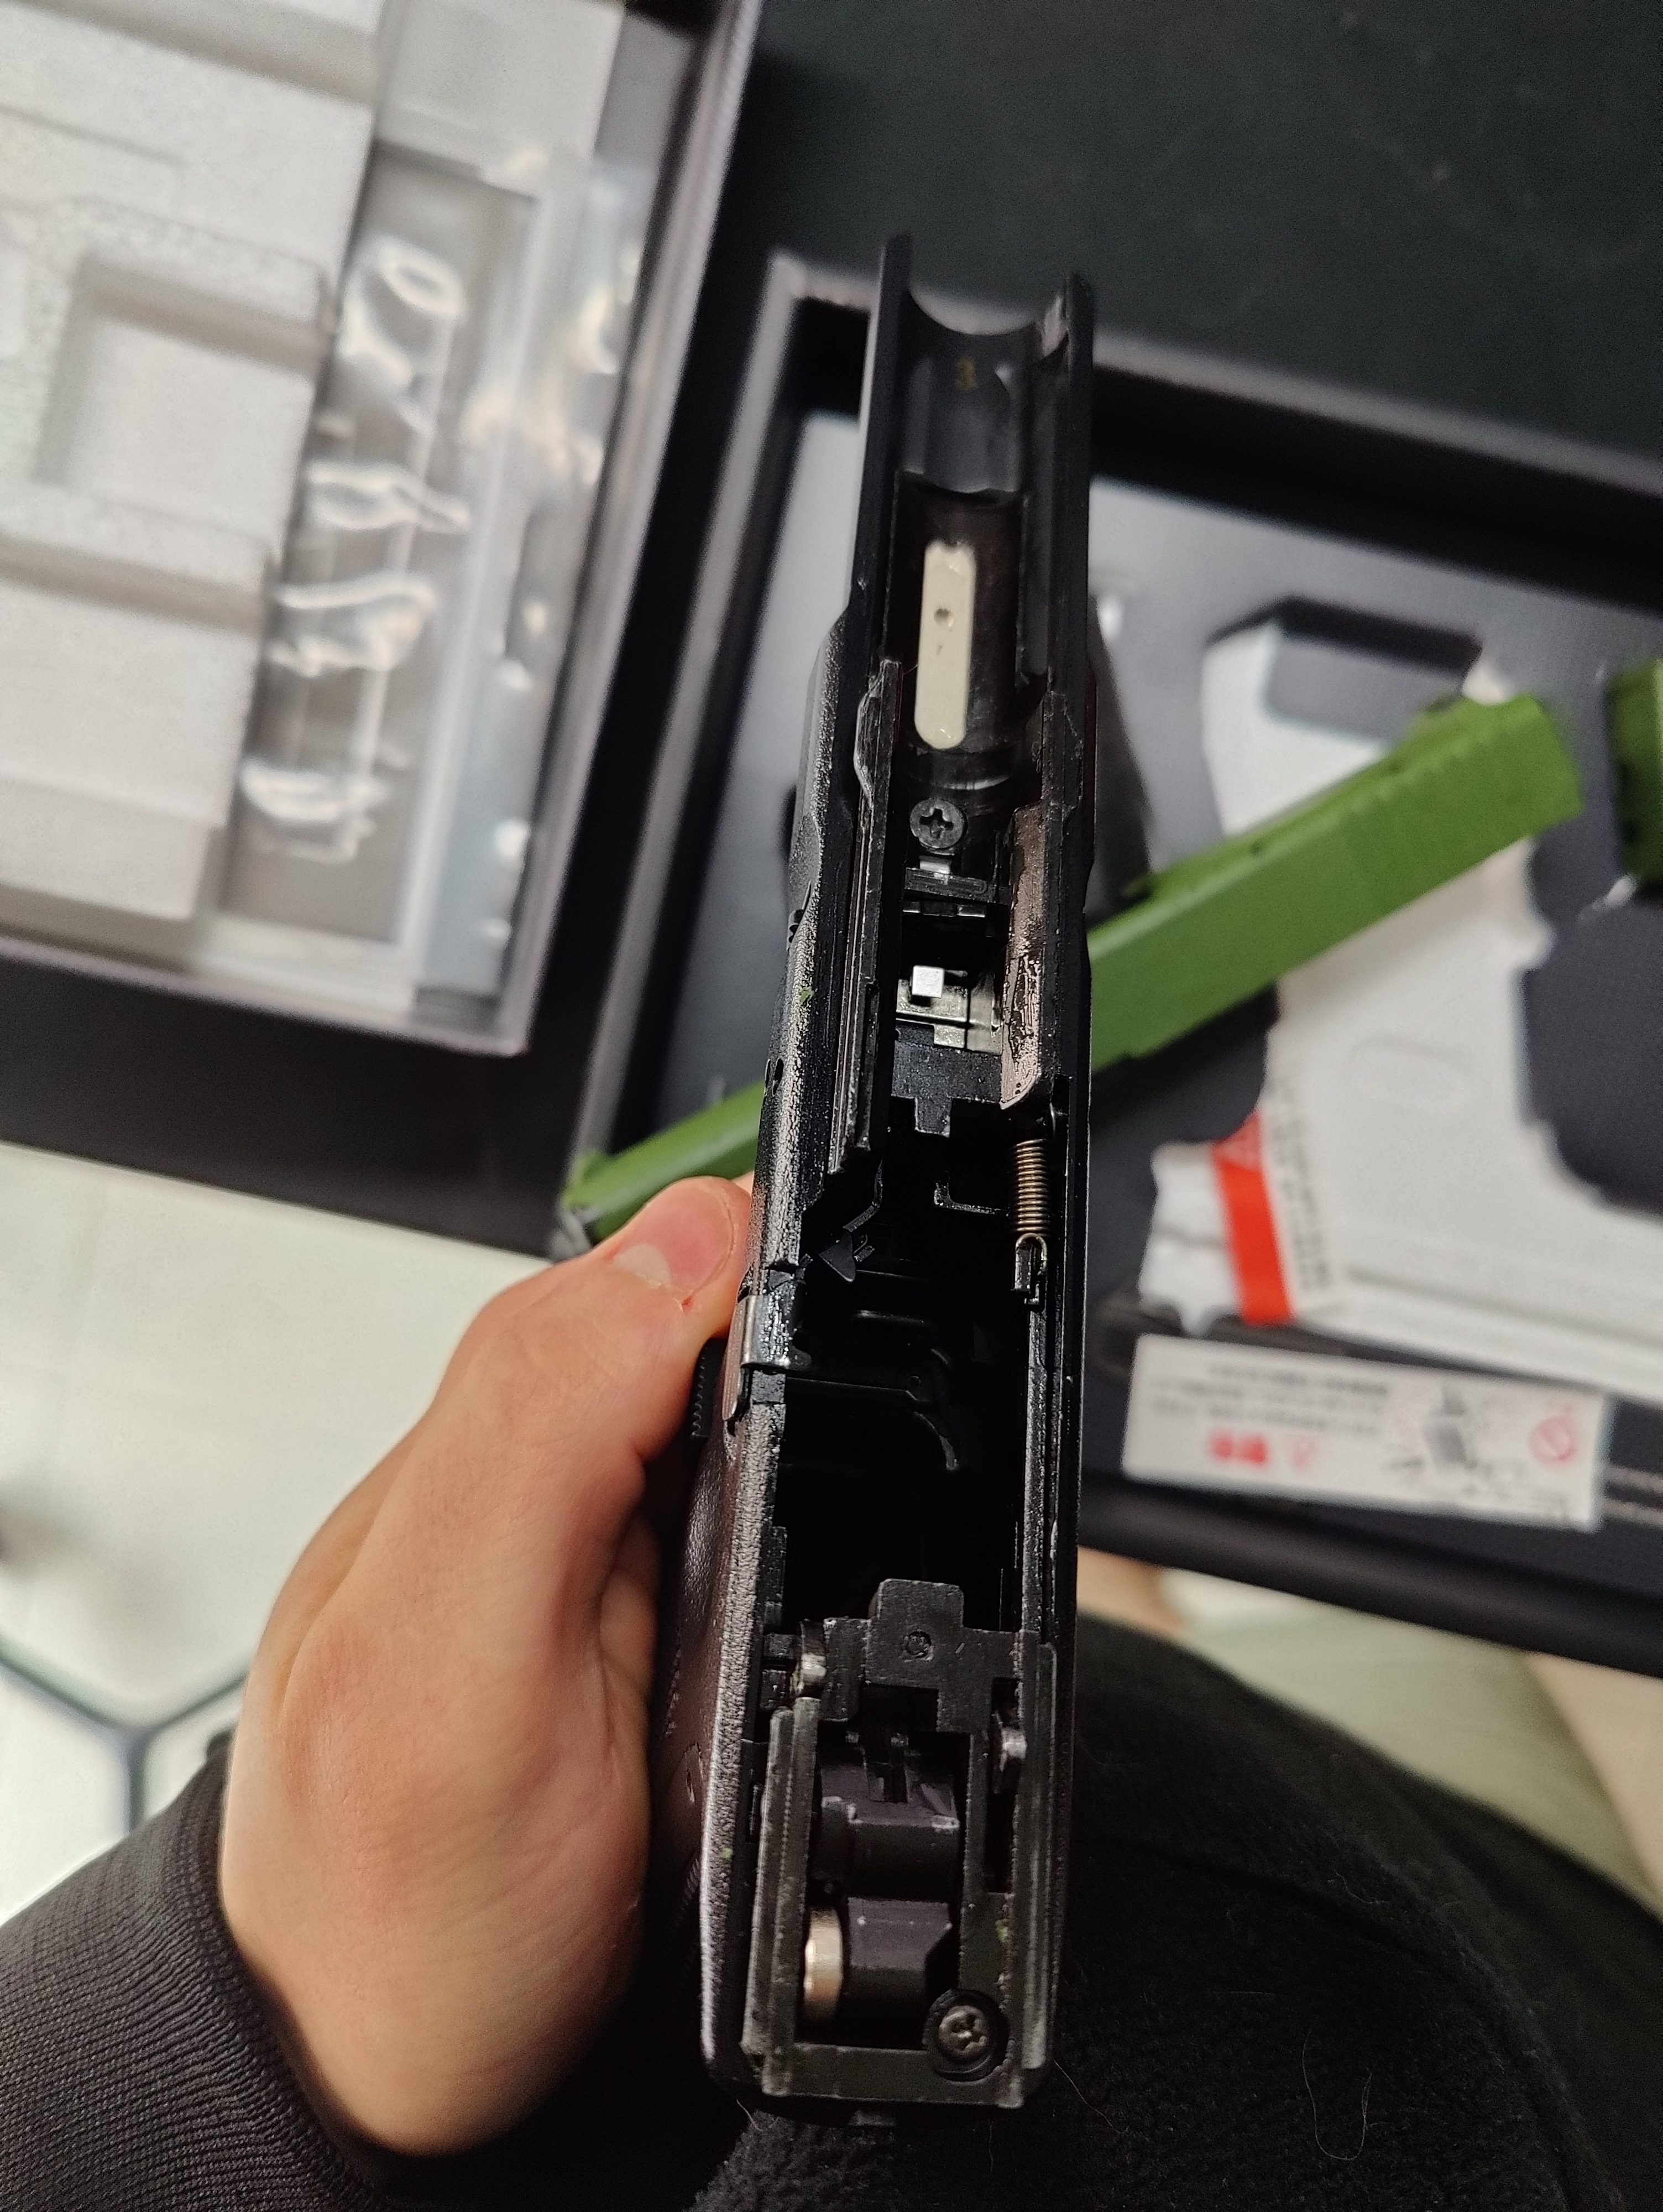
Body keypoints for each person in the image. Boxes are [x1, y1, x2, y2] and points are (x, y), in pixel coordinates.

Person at [1, 1177, 1658, 2209]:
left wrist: (245, 2040)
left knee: (1065, 1589)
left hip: (1262, 1819)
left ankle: (1069, 1577)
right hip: (1419, 2011)